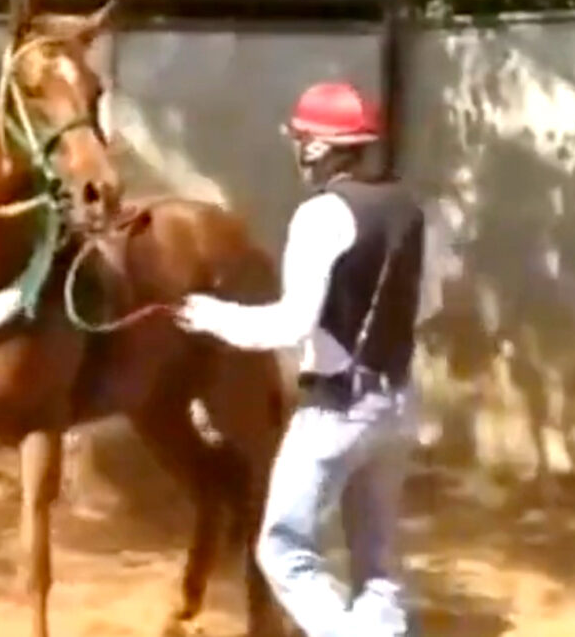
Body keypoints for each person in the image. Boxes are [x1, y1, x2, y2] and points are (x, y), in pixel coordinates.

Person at [174, 80, 424, 637]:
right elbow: (419, 303)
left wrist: (211, 316)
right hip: (400, 401)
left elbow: (291, 323)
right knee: (377, 560)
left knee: (282, 547)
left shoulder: (319, 216)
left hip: (339, 409)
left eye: (301, 138)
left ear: (317, 147)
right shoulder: (407, 206)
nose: (296, 148)